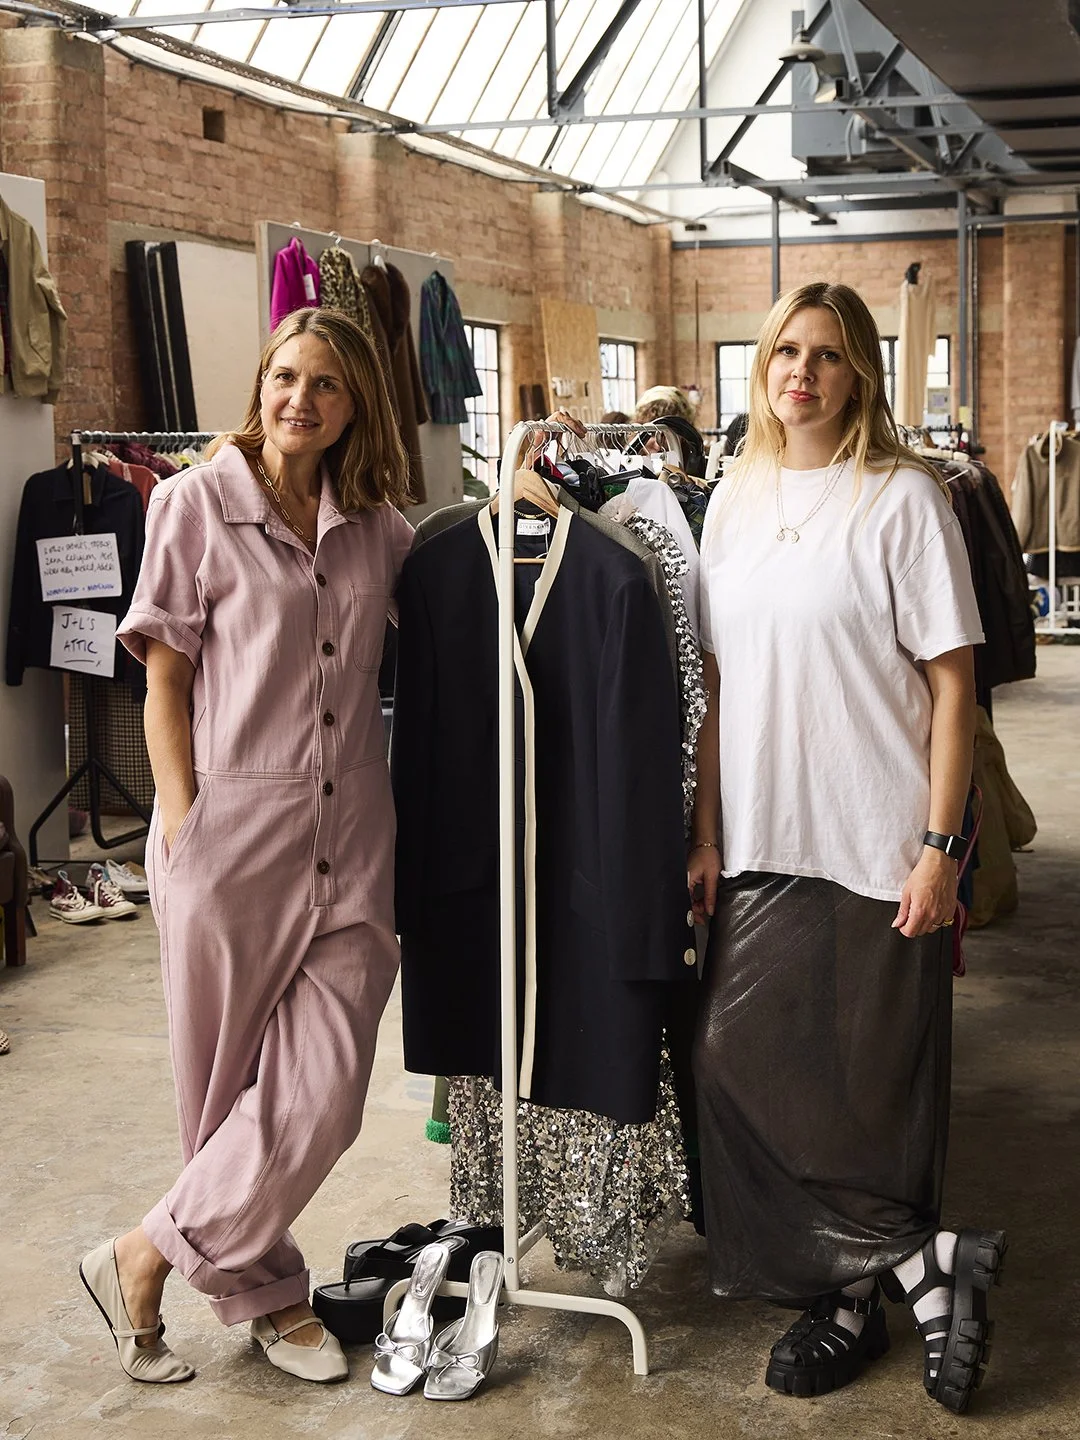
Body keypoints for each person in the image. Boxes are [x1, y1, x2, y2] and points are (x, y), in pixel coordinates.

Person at [80, 307, 415, 1386]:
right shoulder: (190, 502)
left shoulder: (376, 523)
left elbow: (453, 604)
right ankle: (267, 1295)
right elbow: (163, 678)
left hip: (354, 834)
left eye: (324, 383)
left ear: (355, 402)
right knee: (223, 1099)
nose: (298, 400)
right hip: (231, 832)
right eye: (283, 377)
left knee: (325, 1087)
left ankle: (145, 1254)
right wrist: (181, 818)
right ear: (258, 383)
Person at [688, 281, 1005, 1415]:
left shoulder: (905, 499)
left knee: (870, 1091)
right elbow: (717, 684)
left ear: (858, 371)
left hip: (877, 838)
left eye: (824, 355)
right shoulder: (732, 496)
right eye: (784, 352)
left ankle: (849, 1306)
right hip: (766, 835)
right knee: (728, 1062)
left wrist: (940, 847)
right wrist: (707, 829)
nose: (801, 374)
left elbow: (954, 684)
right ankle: (923, 1269)